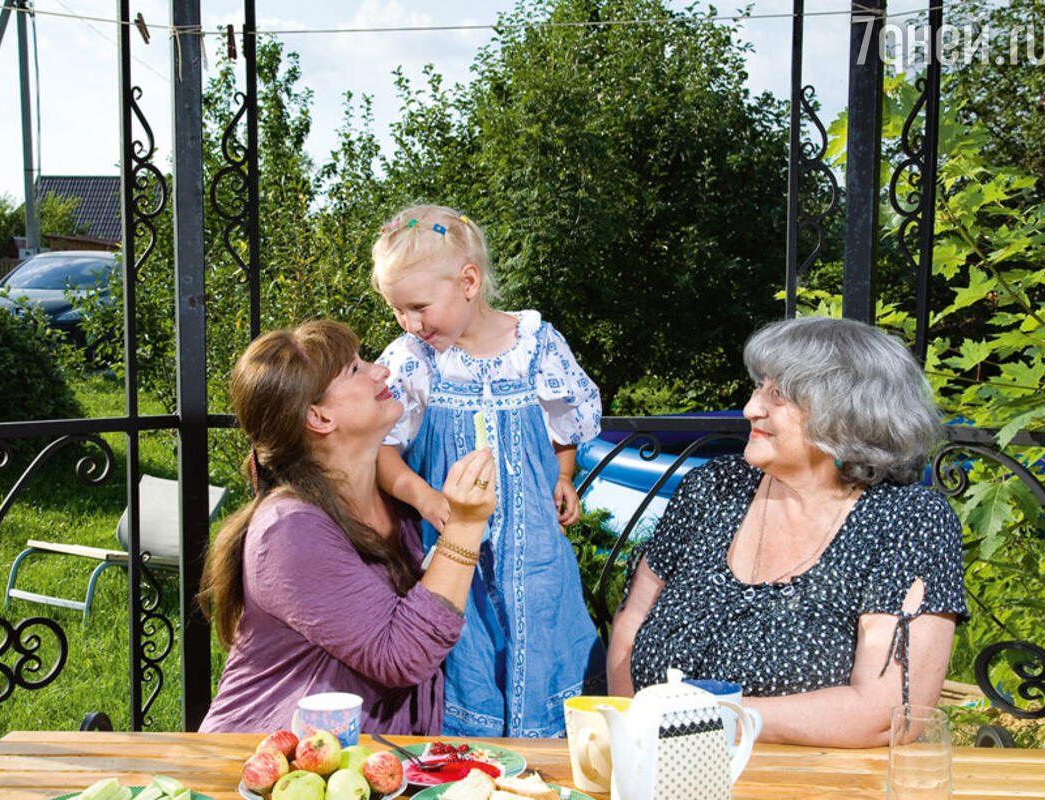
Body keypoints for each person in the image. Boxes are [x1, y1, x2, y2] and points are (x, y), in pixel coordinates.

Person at [607, 316, 967, 747]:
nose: (751, 408)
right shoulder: (713, 488)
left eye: (779, 394)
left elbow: (888, 712)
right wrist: (637, 745)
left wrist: (700, 721)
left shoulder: (905, 520)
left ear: (846, 411)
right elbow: (632, 621)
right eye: (761, 386)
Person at [370, 204, 605, 738]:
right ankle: (469, 762)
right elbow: (383, 451)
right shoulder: (414, 360)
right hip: (450, 549)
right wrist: (426, 498)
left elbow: (562, 419)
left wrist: (564, 475)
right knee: (465, 644)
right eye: (398, 311)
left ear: (469, 282)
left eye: (419, 307)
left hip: (534, 549)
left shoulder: (535, 343)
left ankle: (544, 761)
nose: (410, 323)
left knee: (541, 625)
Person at [197, 320, 496, 734]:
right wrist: (465, 526)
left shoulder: (401, 500)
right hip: (271, 768)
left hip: (363, 767)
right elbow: (402, 654)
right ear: (318, 417)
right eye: (355, 370)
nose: (382, 371)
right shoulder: (289, 531)